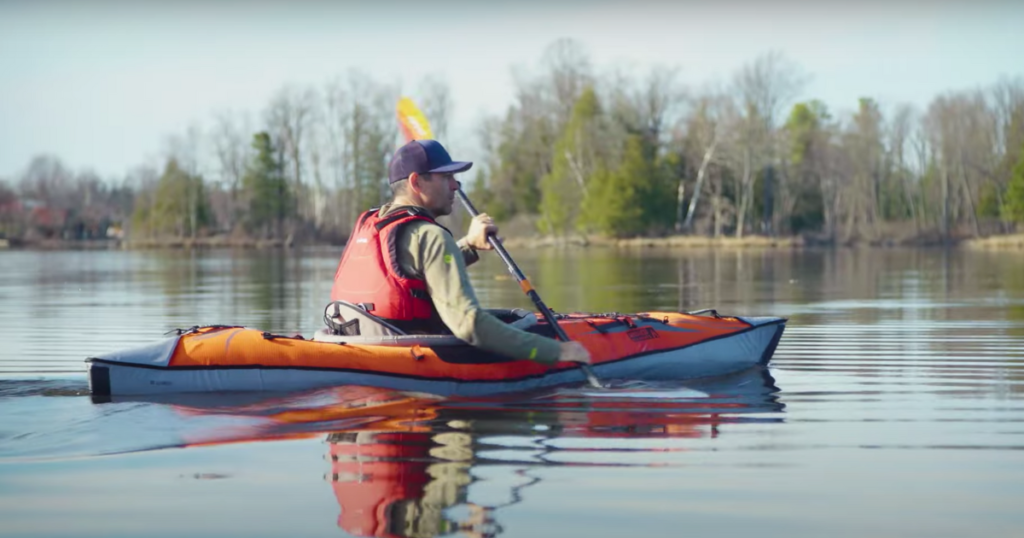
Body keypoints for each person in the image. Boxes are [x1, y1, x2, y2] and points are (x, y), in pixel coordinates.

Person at [330, 139, 590, 366]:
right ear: (416, 182)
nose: (455, 185)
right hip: (407, 358)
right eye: (446, 177)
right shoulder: (431, 235)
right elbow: (469, 325)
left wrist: (468, 245)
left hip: (356, 342)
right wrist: (555, 351)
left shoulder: (371, 224)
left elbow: (413, 273)